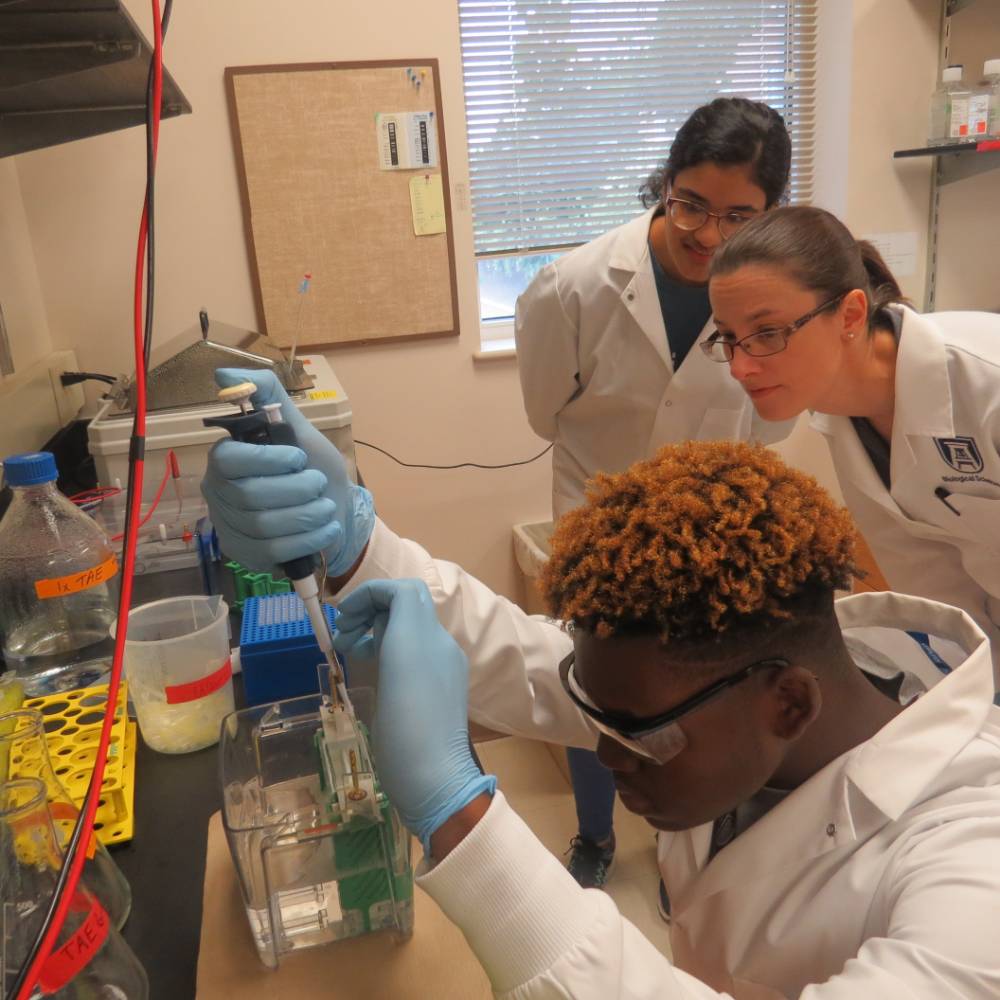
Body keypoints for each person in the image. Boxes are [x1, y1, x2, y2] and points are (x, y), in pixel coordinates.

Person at [202, 382, 1000, 996]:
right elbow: (535, 664)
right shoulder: (735, 694)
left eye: (638, 735)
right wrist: (350, 546)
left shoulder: (974, 869)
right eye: (597, 718)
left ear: (788, 702)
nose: (606, 757)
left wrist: (462, 819)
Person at [514, 97, 797, 888]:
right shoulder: (572, 286)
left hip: (717, 525)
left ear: (771, 211)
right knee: (592, 683)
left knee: (714, 692)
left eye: (739, 215)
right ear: (664, 186)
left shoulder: (771, 295)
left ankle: (697, 853)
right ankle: (596, 836)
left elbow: (772, 426)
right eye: (691, 205)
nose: (708, 235)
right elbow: (546, 412)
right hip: (597, 520)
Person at [704, 205, 1000, 668]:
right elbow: (935, 592)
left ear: (850, 314)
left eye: (767, 333)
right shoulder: (843, 419)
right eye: (728, 337)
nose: (741, 367)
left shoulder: (987, 381)